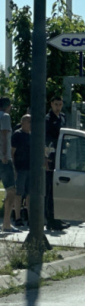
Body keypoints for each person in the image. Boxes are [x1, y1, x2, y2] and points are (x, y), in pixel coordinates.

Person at [45, 96, 68, 231]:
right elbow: (46, 139)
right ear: (51, 104)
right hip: (51, 156)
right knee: (51, 190)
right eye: (55, 104)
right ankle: (51, 219)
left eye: (60, 104)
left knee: (59, 189)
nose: (58, 107)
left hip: (61, 155)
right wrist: (46, 157)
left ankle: (58, 217)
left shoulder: (63, 117)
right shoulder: (48, 120)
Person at [0, 97, 19, 234]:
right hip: (3, 160)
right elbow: (4, 135)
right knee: (11, 190)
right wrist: (5, 155)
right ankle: (6, 223)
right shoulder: (5, 117)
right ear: (7, 106)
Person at [11, 114, 31, 229]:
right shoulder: (17, 135)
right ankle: (17, 217)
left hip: (30, 169)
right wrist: (14, 169)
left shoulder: (32, 135)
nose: (30, 124)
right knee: (19, 194)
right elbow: (12, 152)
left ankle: (29, 217)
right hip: (20, 168)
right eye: (29, 121)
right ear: (23, 122)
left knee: (29, 194)